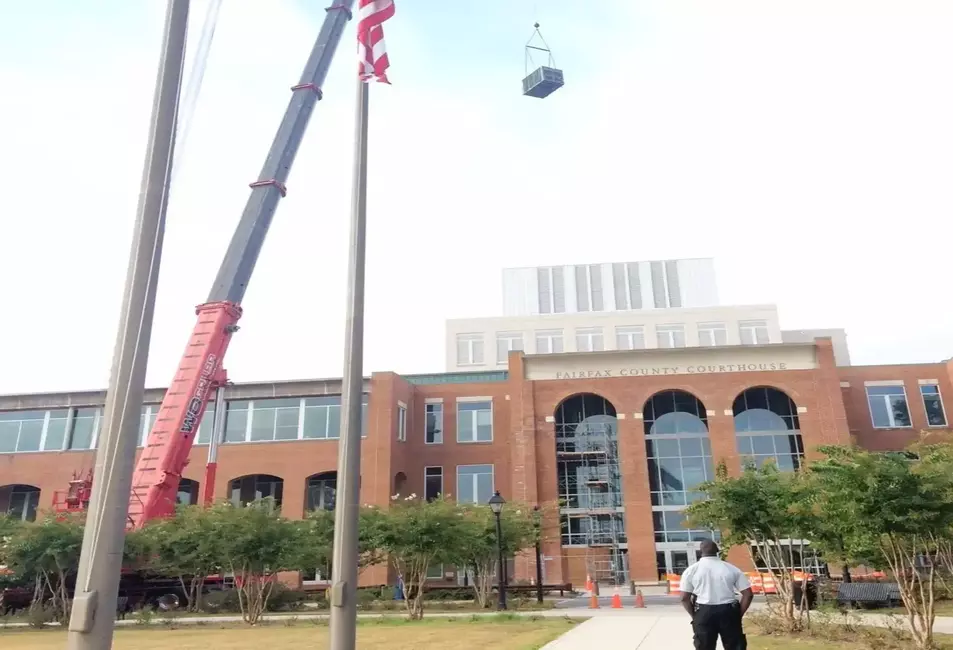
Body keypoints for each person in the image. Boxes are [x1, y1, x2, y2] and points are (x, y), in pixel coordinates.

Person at [679, 540, 754, 650]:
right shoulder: (731, 569)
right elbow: (748, 594)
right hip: (728, 612)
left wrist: (695, 616)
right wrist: (738, 614)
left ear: (700, 551)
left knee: (704, 646)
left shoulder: (691, 571)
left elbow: (684, 598)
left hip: (704, 612)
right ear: (717, 551)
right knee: (735, 646)